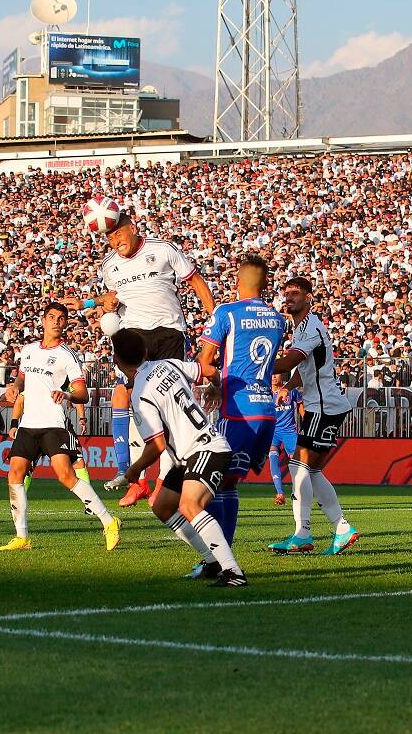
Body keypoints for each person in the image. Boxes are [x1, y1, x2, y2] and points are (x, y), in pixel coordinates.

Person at [65, 208, 215, 508]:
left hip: (169, 331)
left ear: (132, 228)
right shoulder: (110, 265)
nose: (114, 240)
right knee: (126, 397)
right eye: (109, 237)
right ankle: (134, 478)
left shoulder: (163, 249)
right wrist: (89, 302)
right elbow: (112, 297)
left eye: (118, 233)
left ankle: (164, 479)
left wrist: (216, 320)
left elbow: (196, 282)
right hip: (133, 335)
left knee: (166, 403)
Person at [107, 329, 246, 586]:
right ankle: (211, 561)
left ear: (116, 361)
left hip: (205, 448)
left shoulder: (140, 393)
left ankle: (233, 571)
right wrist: (216, 389)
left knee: (189, 506)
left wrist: (132, 472)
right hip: (189, 454)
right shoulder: (167, 363)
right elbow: (210, 370)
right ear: (146, 352)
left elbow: (156, 445)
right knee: (162, 506)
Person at [0, 302, 121, 552]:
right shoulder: (29, 350)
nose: (56, 321)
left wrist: (65, 396)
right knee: (15, 474)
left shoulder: (67, 356)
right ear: (43, 321)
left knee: (65, 475)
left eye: (61, 318)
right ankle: (22, 537)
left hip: (53, 424)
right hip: (28, 425)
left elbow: (82, 394)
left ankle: (109, 522)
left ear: (65, 324)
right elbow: (22, 378)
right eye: (52, 317)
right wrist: (14, 387)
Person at [195, 253, 286, 553]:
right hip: (266, 412)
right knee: (229, 483)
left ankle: (217, 556)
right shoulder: (277, 319)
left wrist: (216, 385)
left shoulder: (227, 313)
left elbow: (204, 362)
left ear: (237, 281)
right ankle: (224, 552)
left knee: (211, 481)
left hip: (236, 411)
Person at [267, 277, 360, 556]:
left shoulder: (310, 328)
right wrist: (287, 387)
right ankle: (341, 529)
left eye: (295, 293)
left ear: (309, 298)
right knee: (312, 470)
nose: (289, 297)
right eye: (286, 293)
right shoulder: (300, 329)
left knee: (299, 467)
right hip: (324, 405)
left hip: (323, 407)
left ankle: (303, 534)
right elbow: (301, 370)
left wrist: (253, 360)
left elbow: (288, 362)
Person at [269, 372, 303, 505]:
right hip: (273, 432)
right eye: (271, 374)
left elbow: (300, 404)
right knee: (273, 458)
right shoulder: (266, 393)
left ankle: (298, 491)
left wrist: (305, 421)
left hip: (289, 431)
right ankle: (280, 492)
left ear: (282, 376)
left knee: (298, 463)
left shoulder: (291, 391)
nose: (273, 377)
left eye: (276, 374)